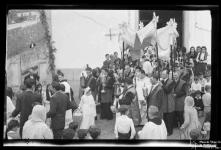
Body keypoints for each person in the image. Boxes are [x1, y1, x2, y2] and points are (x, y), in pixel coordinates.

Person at [161, 69, 176, 136]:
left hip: (169, 103)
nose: (162, 75)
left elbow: (167, 90)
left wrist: (162, 85)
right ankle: (165, 130)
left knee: (169, 118)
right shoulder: (161, 81)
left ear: (167, 75)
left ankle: (170, 131)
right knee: (164, 118)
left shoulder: (172, 82)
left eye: (163, 74)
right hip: (163, 102)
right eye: (162, 74)